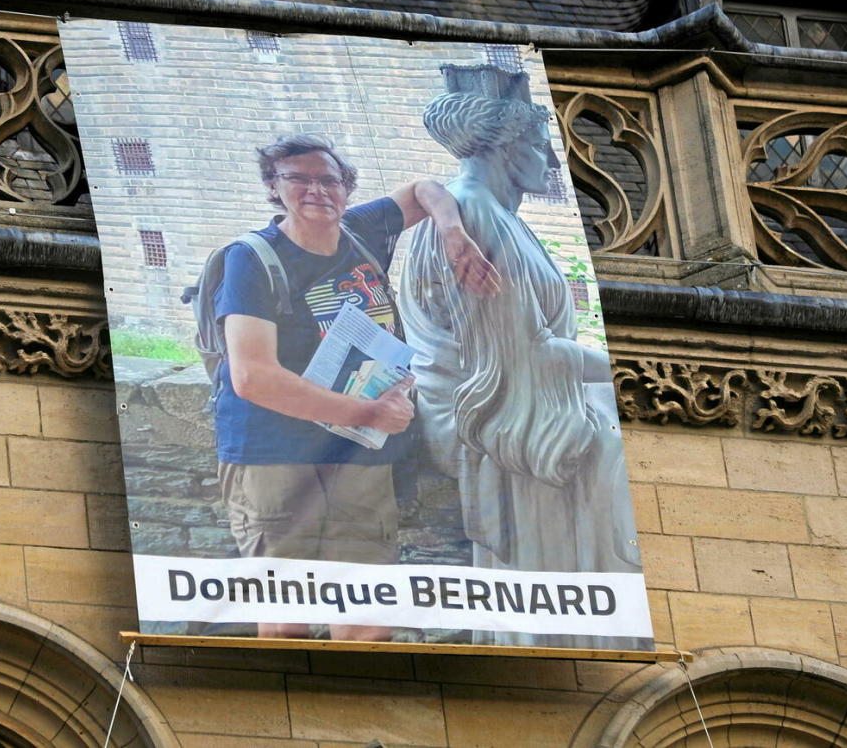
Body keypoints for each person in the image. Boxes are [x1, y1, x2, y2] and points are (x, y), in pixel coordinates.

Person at [399, 65, 647, 649]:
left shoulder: (491, 213)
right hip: (485, 413)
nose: (552, 160)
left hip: (522, 389)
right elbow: (520, 357)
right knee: (615, 447)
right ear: (507, 147)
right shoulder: (474, 215)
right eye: (541, 144)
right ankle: (587, 635)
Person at [216, 133, 499, 641]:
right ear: (273, 188)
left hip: (357, 456)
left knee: (368, 615)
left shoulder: (361, 231)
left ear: (347, 189)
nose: (315, 190)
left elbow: (423, 189)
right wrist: (366, 413)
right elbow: (252, 376)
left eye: (329, 180)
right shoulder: (252, 259)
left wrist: (451, 230)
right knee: (287, 618)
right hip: (274, 455)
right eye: (297, 178)